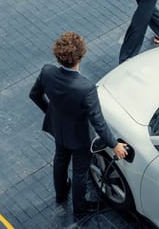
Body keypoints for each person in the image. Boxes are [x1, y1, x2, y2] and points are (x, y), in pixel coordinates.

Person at [29, 32, 128, 218]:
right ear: (80, 56)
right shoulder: (86, 88)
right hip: (80, 138)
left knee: (60, 161)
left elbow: (34, 94)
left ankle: (60, 194)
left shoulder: (47, 72)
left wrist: (51, 113)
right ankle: (80, 208)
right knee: (80, 173)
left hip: (58, 129)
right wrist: (115, 145)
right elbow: (98, 122)